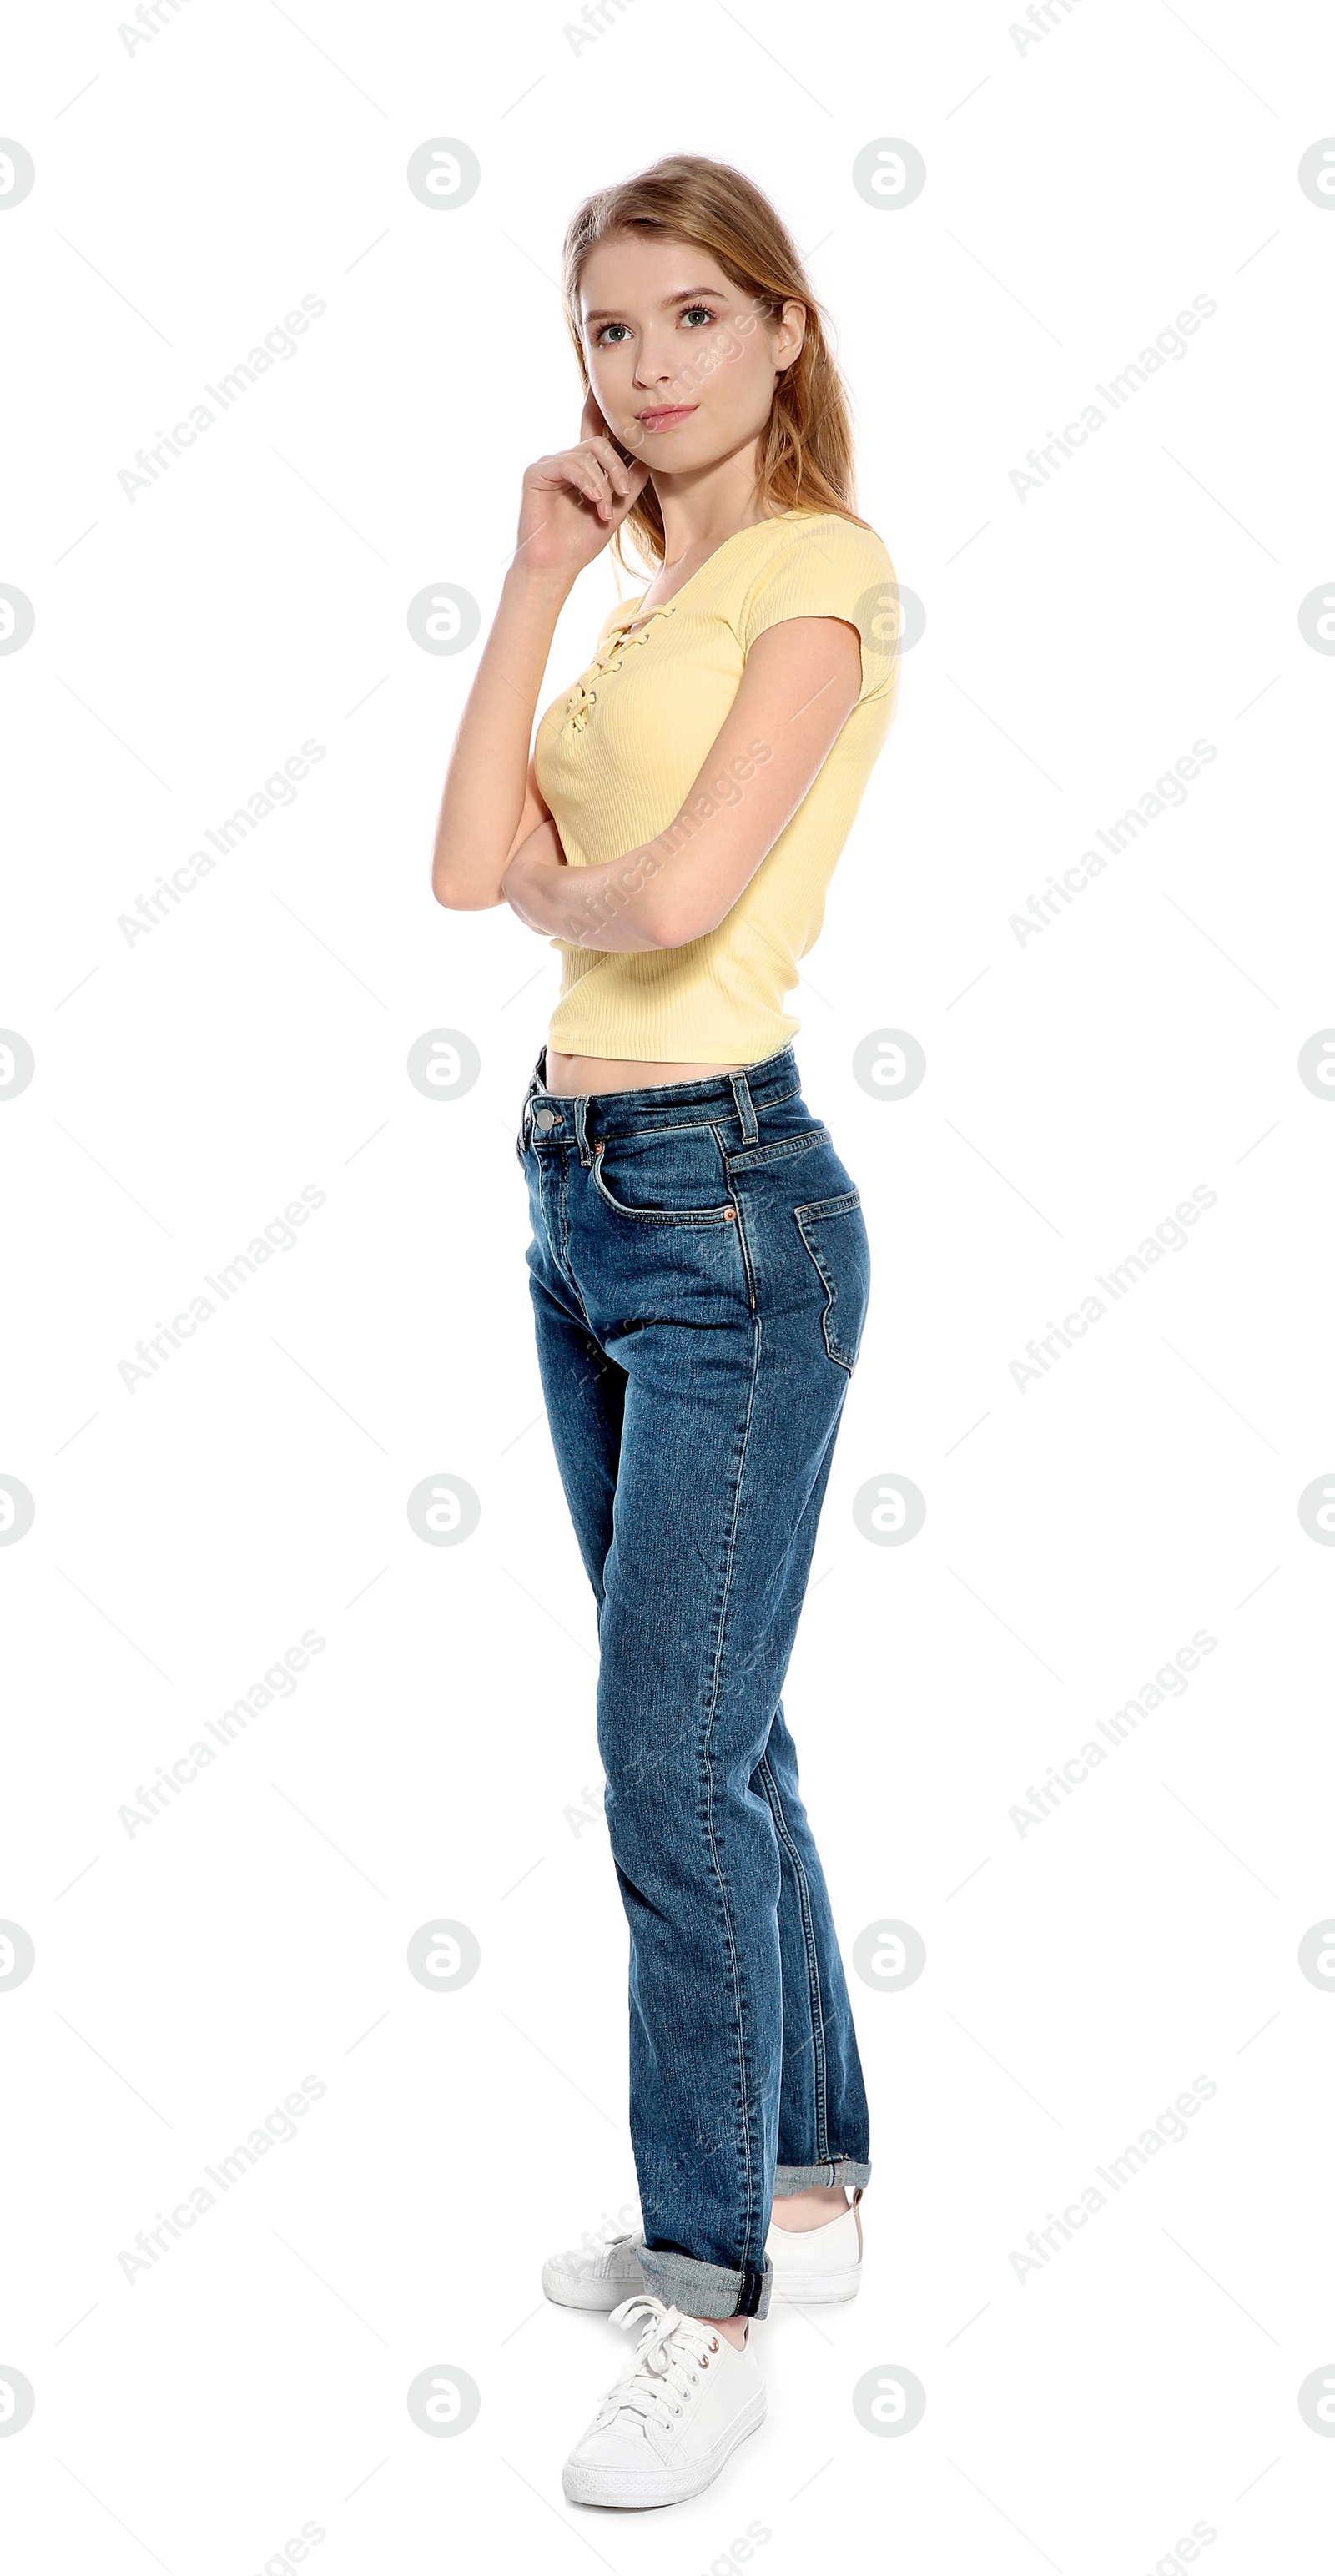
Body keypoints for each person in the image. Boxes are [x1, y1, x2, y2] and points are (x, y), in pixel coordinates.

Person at [432, 151, 899, 2510]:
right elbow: (460, 863)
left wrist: (571, 891)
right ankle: (804, 2182)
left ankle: (707, 2292)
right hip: (575, 1193)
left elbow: (679, 892)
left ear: (783, 333)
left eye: (695, 317)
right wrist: (532, 572)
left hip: (729, 1207)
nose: (649, 365)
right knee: (723, 1730)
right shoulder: (628, 609)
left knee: (663, 1761)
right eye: (610, 331)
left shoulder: (816, 580)